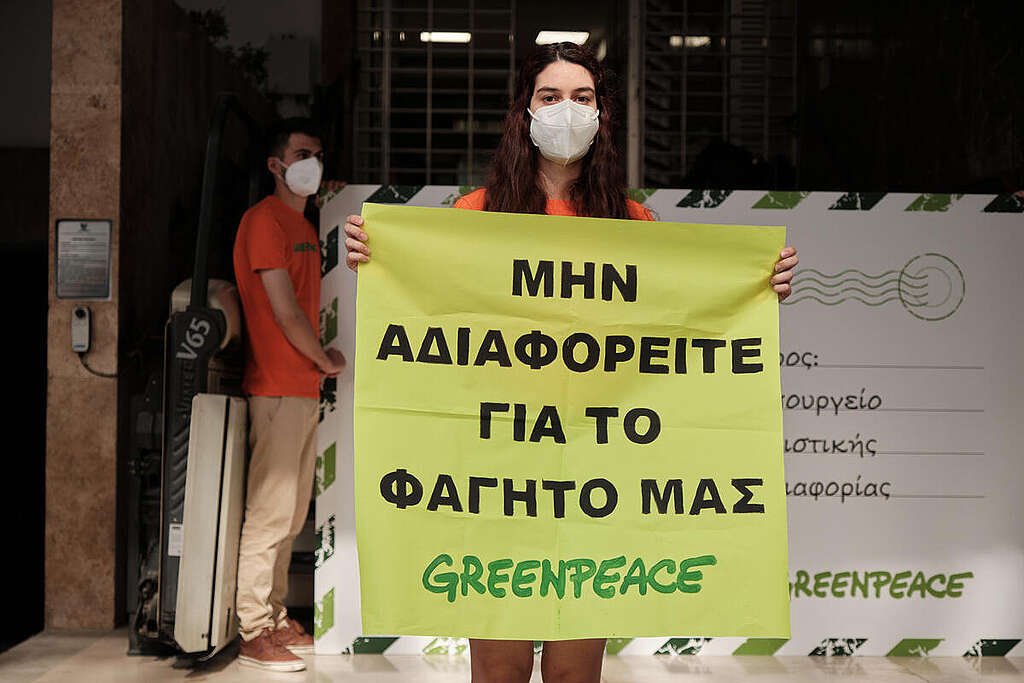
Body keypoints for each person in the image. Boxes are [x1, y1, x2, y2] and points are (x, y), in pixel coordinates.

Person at [343, 43, 797, 683]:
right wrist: (382, 258)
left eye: (582, 98)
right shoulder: (476, 216)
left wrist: (754, 290)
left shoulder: (632, 221)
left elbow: (678, 322)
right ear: (523, 113)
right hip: (497, 476)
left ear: (602, 114)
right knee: (498, 672)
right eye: (549, 97)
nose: (566, 111)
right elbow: (434, 309)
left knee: (573, 675)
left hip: (594, 479)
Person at [232, 118, 346, 672]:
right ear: (276, 165)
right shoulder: (263, 221)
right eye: (303, 153)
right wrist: (325, 358)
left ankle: (274, 618)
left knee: (292, 512)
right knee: (270, 513)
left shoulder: (302, 223)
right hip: (278, 386)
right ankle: (252, 629)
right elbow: (283, 309)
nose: (313, 164)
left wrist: (317, 368)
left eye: (319, 155)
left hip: (300, 387)